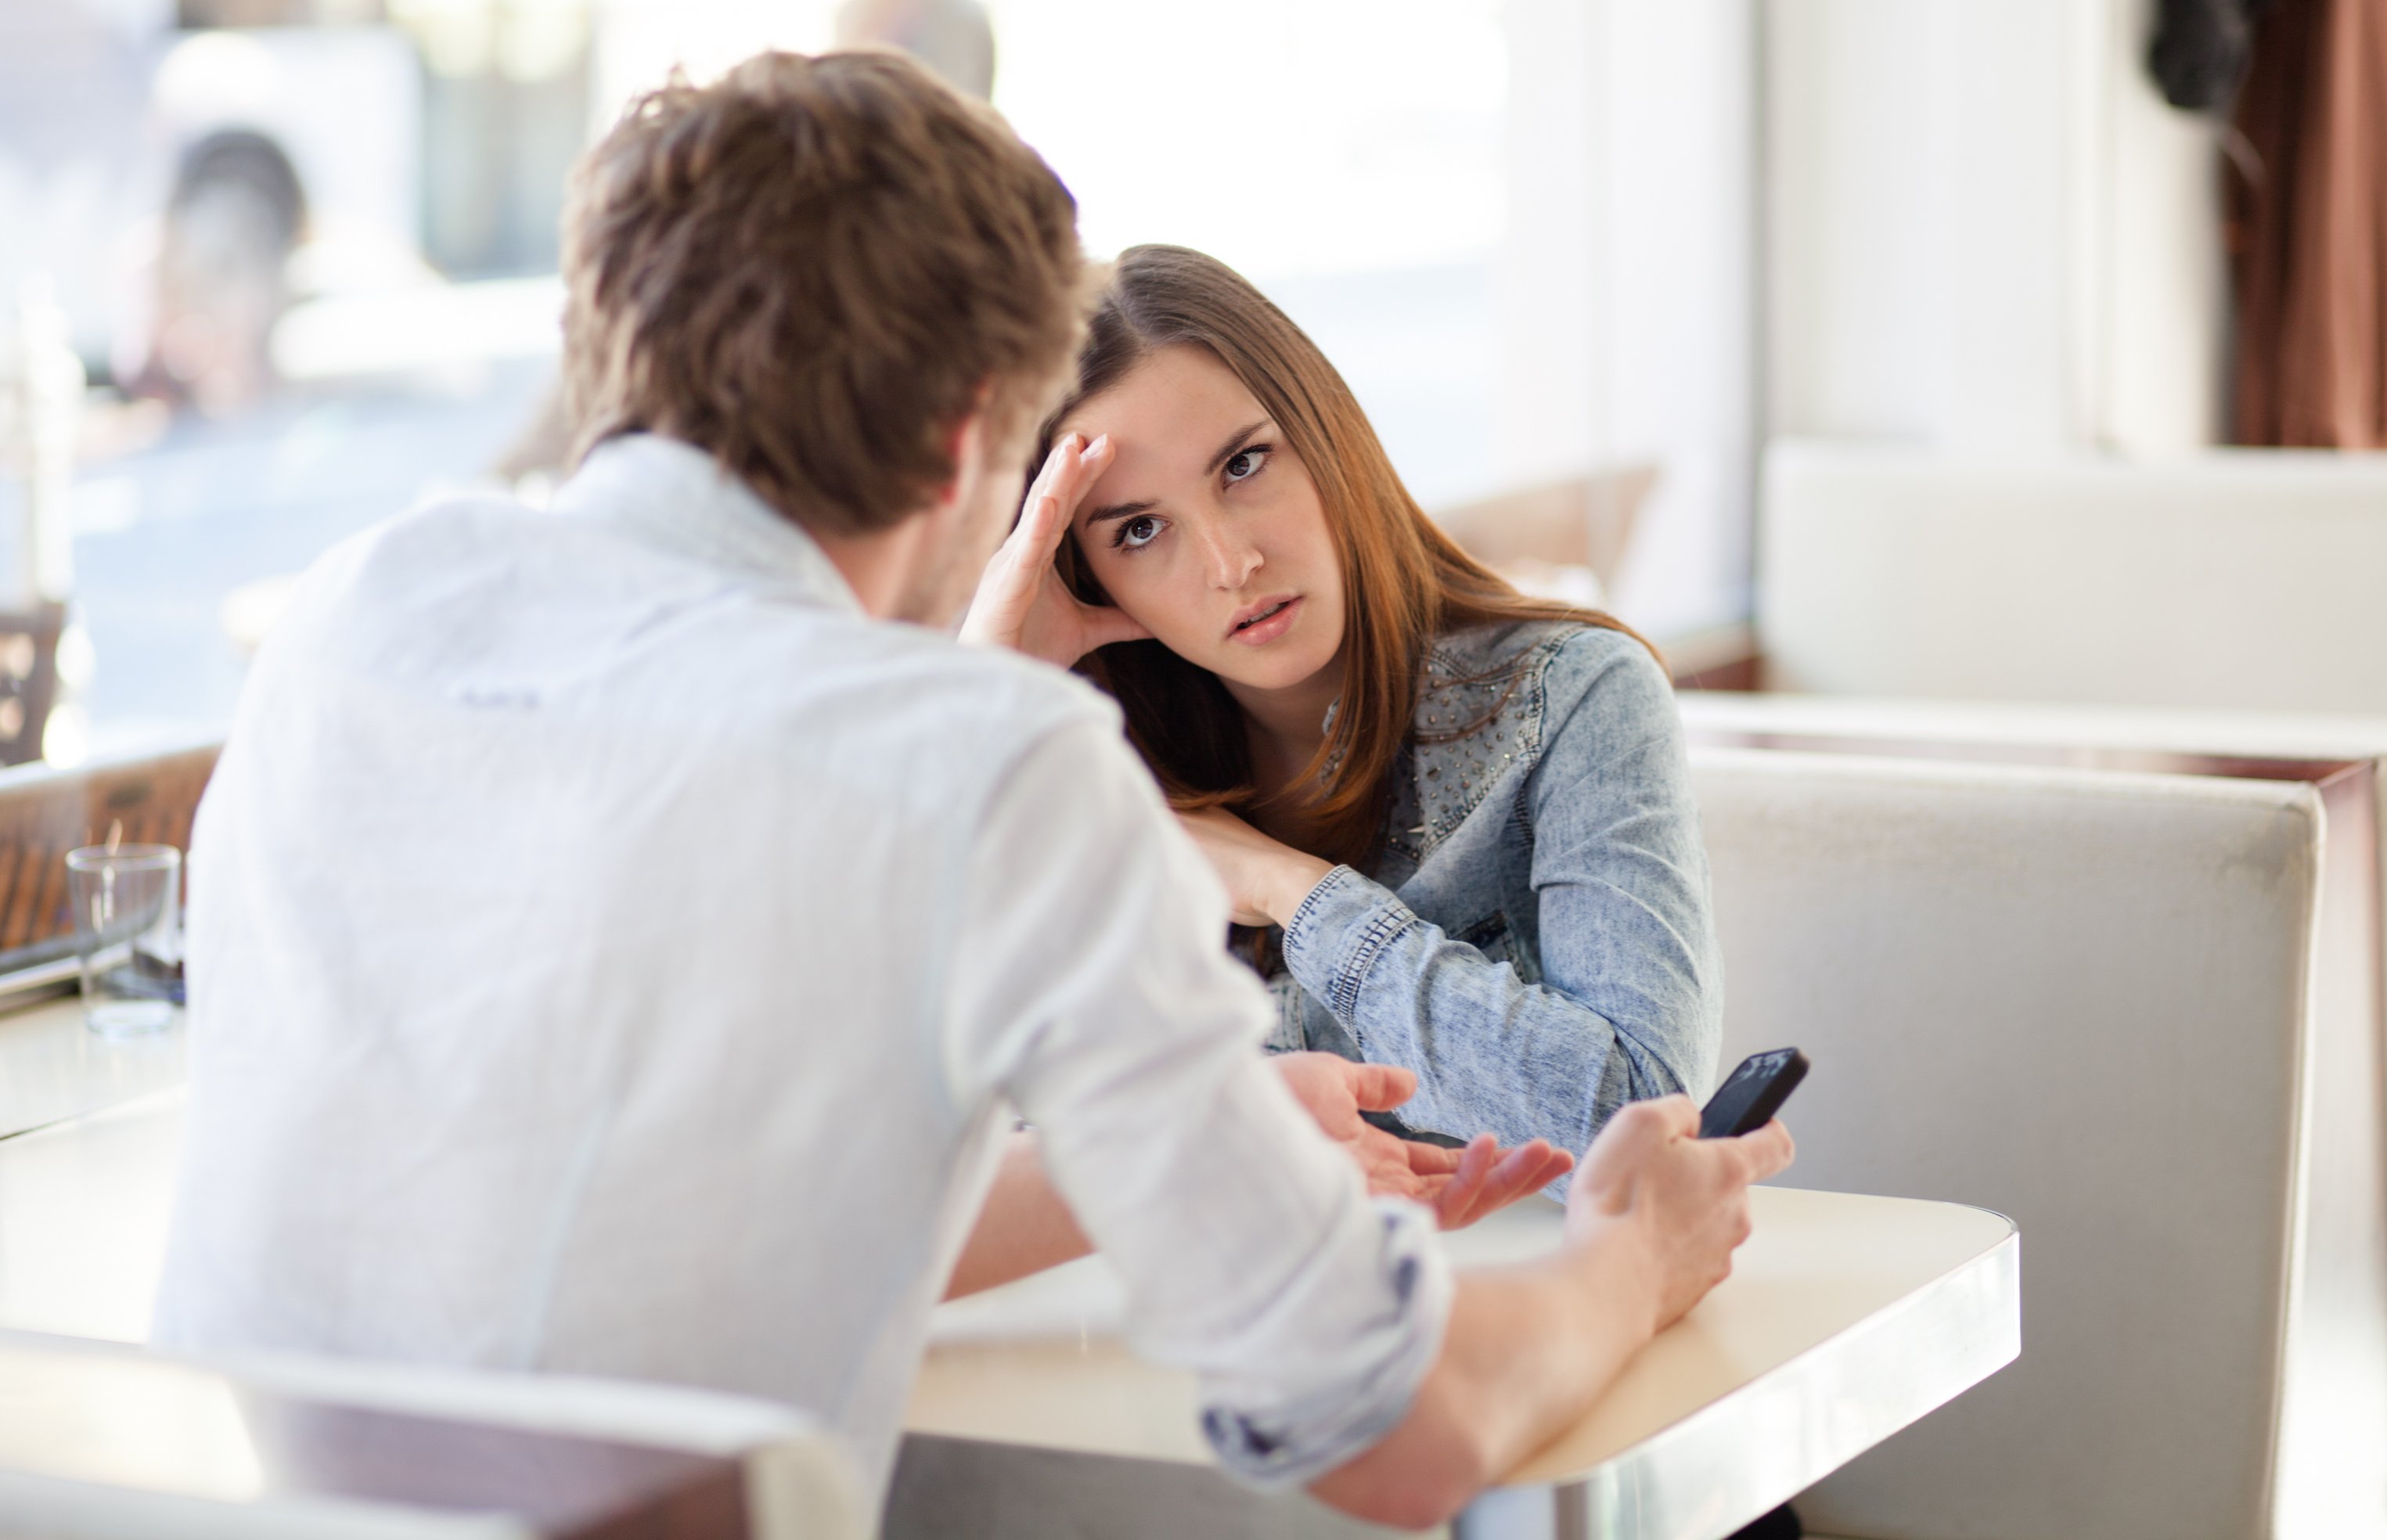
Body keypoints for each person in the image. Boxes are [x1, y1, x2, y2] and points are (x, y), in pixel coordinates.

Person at [153, 52, 1791, 1530]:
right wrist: (1628, 1256)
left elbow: (678, 1222)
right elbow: (1390, 1432)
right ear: (973, 456)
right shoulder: (991, 767)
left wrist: (1137, 1163)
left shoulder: (355, 612)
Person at [963, 243, 1723, 1164]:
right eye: (1139, 529)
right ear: (1080, 572)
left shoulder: (1568, 698)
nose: (1228, 563)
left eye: (1243, 465)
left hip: (1525, 1291)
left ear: (1326, 434)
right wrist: (983, 725)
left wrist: (1285, 888)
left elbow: (1641, 1130)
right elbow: (945, 1141)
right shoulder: (1090, 766)